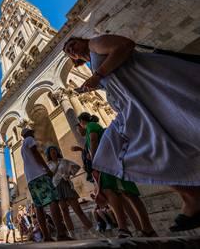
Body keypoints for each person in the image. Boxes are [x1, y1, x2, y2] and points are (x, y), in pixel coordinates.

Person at [64, 34, 200, 232]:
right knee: (139, 152)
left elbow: (125, 45)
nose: (72, 50)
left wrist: (98, 76)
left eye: (72, 44)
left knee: (121, 152)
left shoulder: (94, 44)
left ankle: (192, 197)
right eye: (68, 51)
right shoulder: (92, 64)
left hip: (145, 99)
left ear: (82, 41)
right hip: (134, 108)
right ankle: (191, 195)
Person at [78, 112, 156, 238]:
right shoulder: (96, 126)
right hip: (113, 162)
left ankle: (129, 229)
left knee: (114, 193)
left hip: (107, 164)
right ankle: (143, 229)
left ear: (81, 122)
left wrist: (94, 161)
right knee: (127, 195)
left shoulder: (91, 126)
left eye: (79, 126)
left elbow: (93, 139)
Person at [20, 128, 71, 242]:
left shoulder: (22, 147)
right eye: (32, 133)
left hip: (30, 179)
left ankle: (46, 236)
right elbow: (36, 154)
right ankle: (61, 233)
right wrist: (47, 168)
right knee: (53, 200)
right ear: (29, 134)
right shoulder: (29, 140)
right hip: (39, 175)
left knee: (39, 206)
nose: (33, 135)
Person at [46, 145, 94, 237]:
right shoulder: (48, 165)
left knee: (78, 209)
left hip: (66, 185)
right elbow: (48, 177)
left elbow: (75, 168)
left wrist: (68, 174)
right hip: (57, 187)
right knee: (64, 211)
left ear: (57, 151)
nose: (53, 152)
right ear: (48, 154)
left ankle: (92, 230)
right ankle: (72, 234)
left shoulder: (64, 161)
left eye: (54, 150)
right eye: (51, 151)